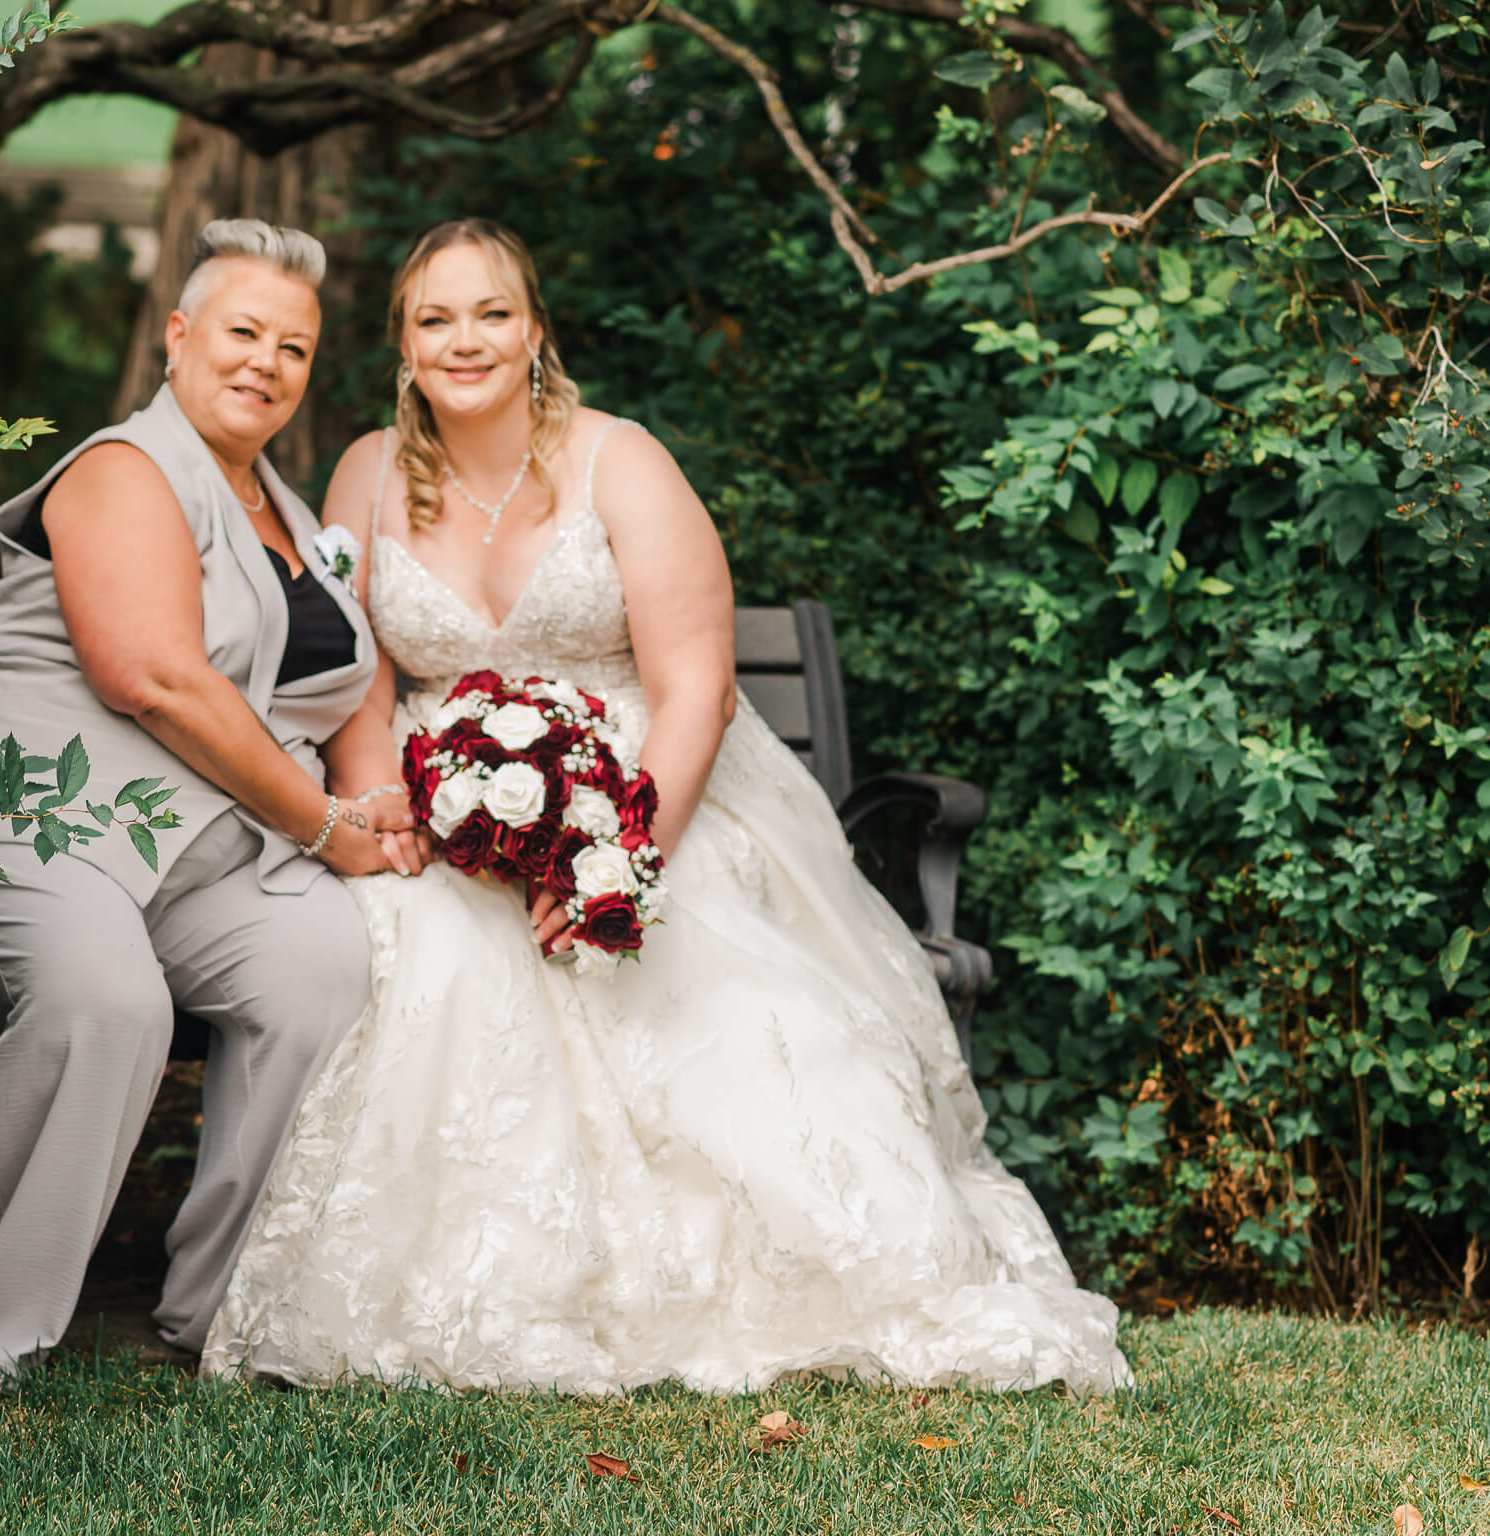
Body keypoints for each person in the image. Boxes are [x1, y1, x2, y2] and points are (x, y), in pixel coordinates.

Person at [201, 218, 1133, 1396]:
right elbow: (364, 681)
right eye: (435, 319)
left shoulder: (617, 460)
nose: (465, 339)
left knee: (715, 994)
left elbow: (698, 684)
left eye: (490, 312)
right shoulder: (368, 472)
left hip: (647, 787)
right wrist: (387, 811)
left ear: (534, 329)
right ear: (402, 343)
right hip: (443, 810)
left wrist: (617, 859)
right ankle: (492, 1288)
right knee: (424, 953)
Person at [0, 220, 415, 1383]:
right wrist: (324, 827)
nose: (266, 362)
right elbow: (155, 677)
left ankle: (230, 1304)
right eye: (242, 332)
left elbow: (340, 694)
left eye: (295, 347)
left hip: (194, 859)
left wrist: (382, 809)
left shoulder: (289, 513)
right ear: (178, 338)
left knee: (332, 968)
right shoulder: (124, 470)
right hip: (25, 821)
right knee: (108, 1001)